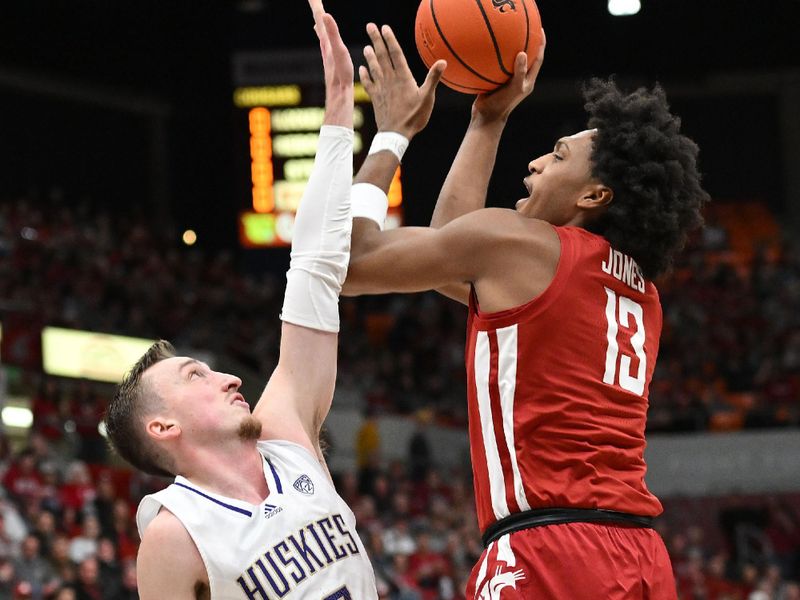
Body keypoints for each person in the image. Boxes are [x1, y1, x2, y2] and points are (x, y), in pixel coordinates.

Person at [343, 22, 709, 599]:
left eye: (559, 156)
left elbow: (351, 263)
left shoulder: (525, 247)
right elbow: (454, 248)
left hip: (549, 553)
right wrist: (486, 121)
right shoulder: (641, 292)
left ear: (594, 196)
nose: (537, 162)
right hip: (640, 558)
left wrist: (391, 133)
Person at [103, 3, 378, 598]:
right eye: (196, 375)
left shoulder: (285, 438)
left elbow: (313, 271)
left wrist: (337, 116)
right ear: (163, 424)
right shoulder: (175, 535)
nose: (228, 376)